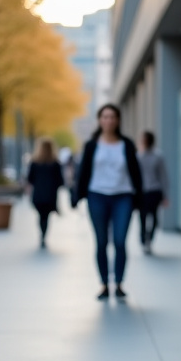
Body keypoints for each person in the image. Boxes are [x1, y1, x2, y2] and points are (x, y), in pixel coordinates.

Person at [72, 104, 143, 299]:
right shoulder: (91, 145)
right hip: (97, 196)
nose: (109, 120)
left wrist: (140, 198)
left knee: (120, 241)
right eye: (105, 117)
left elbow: (136, 173)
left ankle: (119, 283)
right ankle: (104, 284)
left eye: (112, 117)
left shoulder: (127, 144)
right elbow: (83, 172)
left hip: (123, 196)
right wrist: (76, 196)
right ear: (100, 120)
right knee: (101, 242)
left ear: (118, 120)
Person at [26, 137, 65, 249]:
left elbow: (30, 179)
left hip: (38, 195)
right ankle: (44, 234)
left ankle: (42, 234)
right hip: (50, 195)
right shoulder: (55, 163)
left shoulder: (34, 162)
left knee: (41, 216)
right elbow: (60, 181)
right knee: (46, 217)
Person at [136, 130, 169, 254]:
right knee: (142, 218)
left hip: (155, 191)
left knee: (155, 218)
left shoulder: (158, 156)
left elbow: (163, 176)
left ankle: (150, 238)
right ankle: (144, 240)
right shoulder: (138, 156)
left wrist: (165, 195)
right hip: (142, 192)